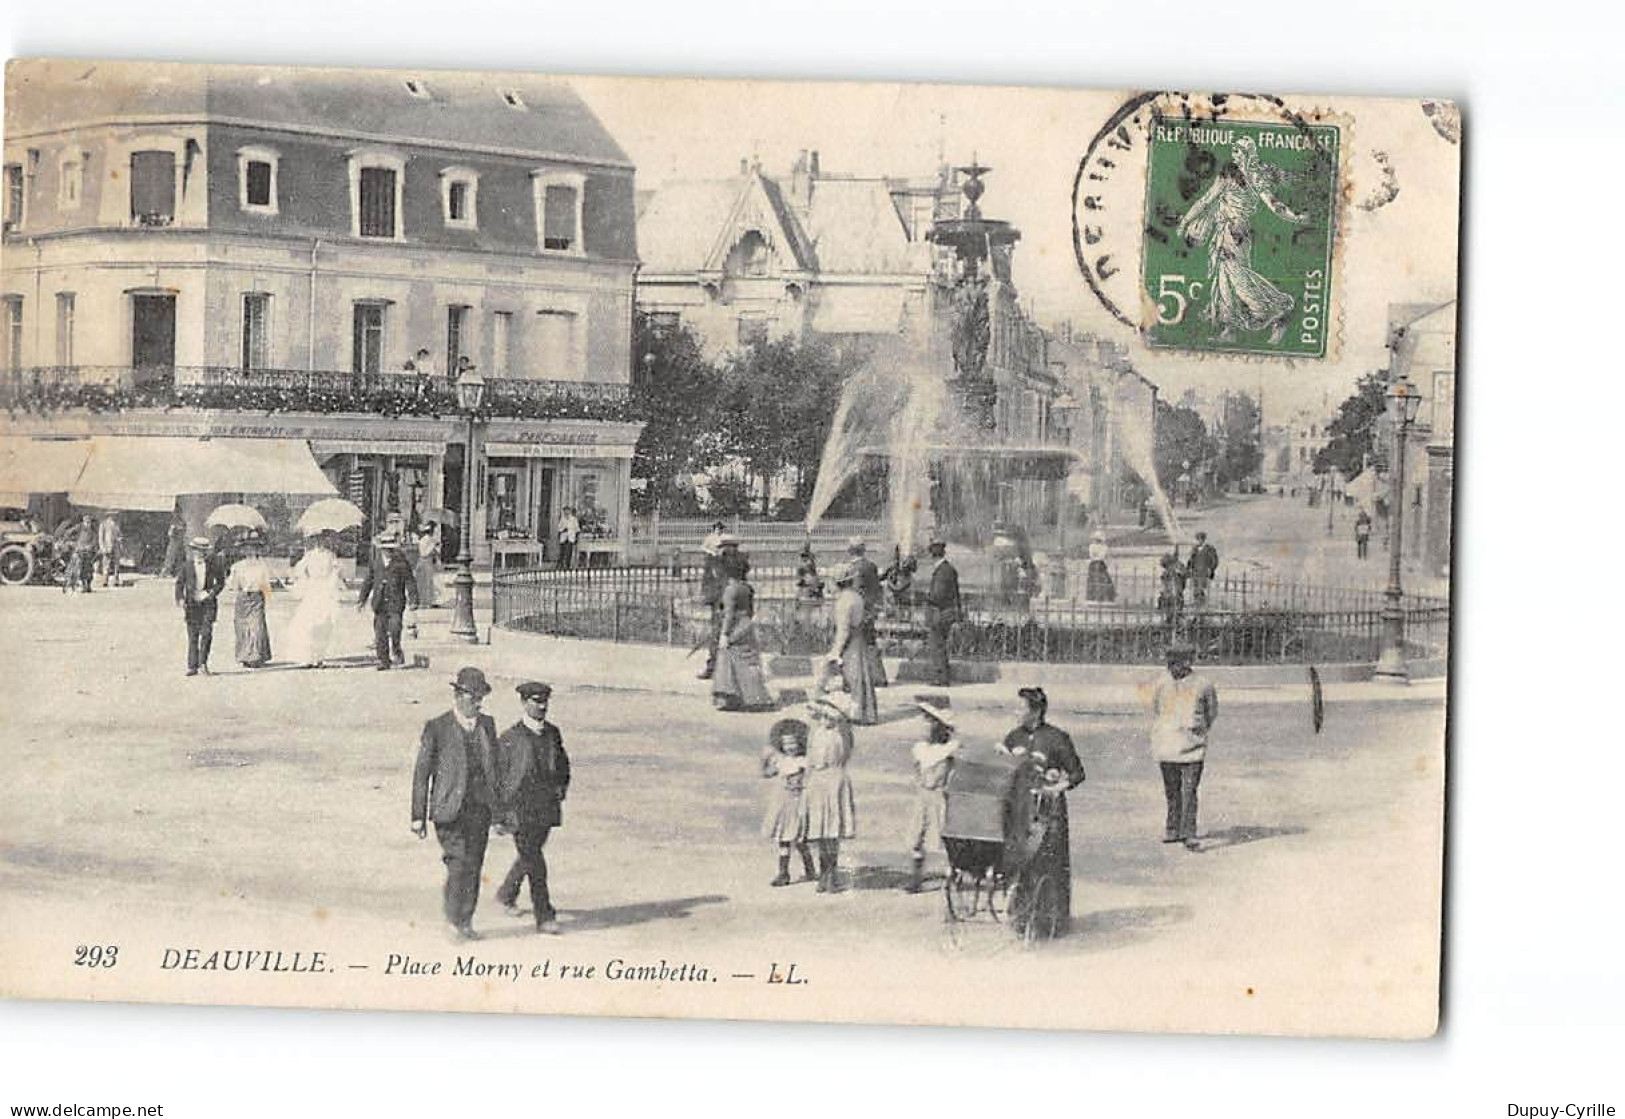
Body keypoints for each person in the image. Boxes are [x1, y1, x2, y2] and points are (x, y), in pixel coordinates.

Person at [411, 667, 500, 941]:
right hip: (448, 809)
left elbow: (495, 770)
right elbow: (421, 773)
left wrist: (500, 812)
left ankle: (466, 921)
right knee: (459, 862)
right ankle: (452, 919)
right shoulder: (437, 727)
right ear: (459, 696)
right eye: (474, 698)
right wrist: (418, 816)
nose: (478, 703)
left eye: (481, 698)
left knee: (474, 865)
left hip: (479, 809)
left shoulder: (487, 725)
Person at [1002, 686, 1086, 934]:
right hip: (1018, 810)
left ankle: (1053, 921)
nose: (1016, 712)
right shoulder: (1013, 737)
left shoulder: (1057, 738)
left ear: (1036, 711)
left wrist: (1057, 787)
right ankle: (1021, 916)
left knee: (1049, 863)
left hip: (1048, 812)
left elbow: (1078, 774)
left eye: (1021, 707)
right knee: (1020, 861)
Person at [494, 681, 570, 935]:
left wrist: (560, 789)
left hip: (545, 807)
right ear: (524, 703)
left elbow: (563, 765)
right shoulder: (510, 738)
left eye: (545, 701)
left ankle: (506, 893)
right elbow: (496, 778)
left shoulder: (552, 733)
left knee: (531, 854)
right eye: (537, 701)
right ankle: (544, 915)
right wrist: (499, 814)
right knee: (536, 861)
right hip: (519, 809)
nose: (542, 706)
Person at [1150, 643, 1220, 851]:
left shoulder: (1203, 684)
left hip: (1193, 747)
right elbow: (1156, 708)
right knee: (1172, 791)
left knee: (1189, 791)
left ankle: (1189, 833)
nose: (1172, 668)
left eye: (1176, 663)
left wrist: (1197, 729)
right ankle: (1172, 829)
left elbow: (1211, 711)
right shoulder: (1160, 683)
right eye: (1169, 664)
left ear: (1188, 662)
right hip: (1167, 745)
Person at [800, 688, 857, 893]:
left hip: (834, 780)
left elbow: (846, 751)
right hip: (817, 780)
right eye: (823, 714)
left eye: (829, 715)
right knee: (819, 829)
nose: (825, 718)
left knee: (832, 830)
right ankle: (823, 874)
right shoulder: (816, 733)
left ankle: (831, 873)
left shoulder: (842, 734)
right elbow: (809, 758)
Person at [905, 699, 960, 894]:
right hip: (923, 795)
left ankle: (953, 873)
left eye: (927, 721)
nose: (922, 725)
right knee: (915, 836)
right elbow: (917, 771)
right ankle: (916, 876)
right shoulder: (920, 749)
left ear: (938, 725)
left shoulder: (948, 751)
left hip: (938, 796)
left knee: (942, 835)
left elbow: (949, 773)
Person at [712, 552, 774, 711]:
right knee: (748, 662)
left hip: (734, 627)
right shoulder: (747, 588)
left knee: (726, 659)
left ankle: (729, 697)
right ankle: (756, 697)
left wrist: (724, 634)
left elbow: (729, 614)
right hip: (747, 625)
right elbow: (750, 611)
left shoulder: (730, 590)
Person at [760, 717, 816, 887]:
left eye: (792, 742)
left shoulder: (804, 762)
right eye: (786, 743)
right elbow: (767, 773)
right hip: (782, 803)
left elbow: (809, 781)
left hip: (797, 802)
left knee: (800, 840)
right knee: (783, 839)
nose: (790, 747)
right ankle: (783, 873)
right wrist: (765, 760)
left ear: (800, 742)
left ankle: (810, 869)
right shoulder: (781, 760)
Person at [825, 563, 880, 725]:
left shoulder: (843, 601)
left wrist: (835, 651)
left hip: (851, 642)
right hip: (859, 638)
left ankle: (857, 713)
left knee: (853, 676)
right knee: (861, 676)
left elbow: (843, 630)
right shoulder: (855, 596)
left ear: (837, 582)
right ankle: (865, 712)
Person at [357, 532, 419, 670]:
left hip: (396, 601)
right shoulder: (376, 561)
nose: (388, 551)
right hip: (379, 602)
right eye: (386, 549)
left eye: (391, 549)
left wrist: (413, 598)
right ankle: (383, 660)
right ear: (381, 548)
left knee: (395, 628)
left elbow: (410, 580)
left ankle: (396, 649)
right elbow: (369, 580)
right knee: (380, 632)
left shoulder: (401, 561)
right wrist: (362, 599)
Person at [287, 531, 344, 668]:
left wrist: (336, 572)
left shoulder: (331, 555)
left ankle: (320, 657)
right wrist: (301, 579)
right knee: (308, 625)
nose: (320, 543)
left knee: (324, 625)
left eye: (322, 540)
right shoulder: (309, 555)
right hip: (312, 590)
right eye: (317, 540)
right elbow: (299, 570)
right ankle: (308, 657)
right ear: (314, 541)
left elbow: (338, 572)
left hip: (325, 590)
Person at [175, 536, 225, 676]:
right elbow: (179, 584)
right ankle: (192, 666)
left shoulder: (213, 565)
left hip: (208, 604)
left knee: (207, 634)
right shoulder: (187, 566)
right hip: (191, 604)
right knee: (193, 636)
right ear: (192, 551)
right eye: (196, 550)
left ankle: (203, 663)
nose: (199, 554)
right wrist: (180, 599)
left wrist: (211, 593)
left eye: (202, 551)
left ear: (206, 552)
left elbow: (221, 582)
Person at [226, 532, 274, 668]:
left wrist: (268, 596)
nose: (250, 551)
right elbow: (232, 585)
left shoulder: (262, 565)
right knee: (243, 628)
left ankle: (256, 656)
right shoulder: (237, 566)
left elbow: (266, 584)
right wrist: (235, 583)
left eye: (253, 549)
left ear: (257, 550)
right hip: (242, 599)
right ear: (243, 550)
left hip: (257, 597)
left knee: (256, 627)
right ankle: (244, 656)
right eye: (247, 549)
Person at [846, 537, 888, 688]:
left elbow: (854, 593)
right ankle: (878, 677)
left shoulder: (853, 569)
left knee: (851, 645)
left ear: (850, 550)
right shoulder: (871, 566)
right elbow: (876, 590)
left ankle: (851, 680)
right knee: (870, 644)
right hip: (868, 611)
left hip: (856, 613)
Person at [922, 537, 962, 688]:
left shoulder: (941, 571)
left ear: (933, 554)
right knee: (941, 645)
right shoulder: (948, 569)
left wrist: (924, 597)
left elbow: (938, 595)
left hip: (940, 613)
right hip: (948, 612)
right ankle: (942, 676)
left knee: (936, 644)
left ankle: (940, 677)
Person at [695, 532, 736, 681]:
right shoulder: (715, 564)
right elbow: (709, 584)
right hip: (722, 604)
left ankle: (719, 668)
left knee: (722, 636)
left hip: (725, 604)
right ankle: (714, 667)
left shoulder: (723, 564)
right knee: (720, 636)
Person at [1188, 532, 1219, 606]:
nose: (1200, 541)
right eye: (1198, 539)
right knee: (1195, 588)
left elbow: (1214, 560)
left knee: (1201, 588)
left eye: (1201, 539)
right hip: (1195, 572)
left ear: (1204, 539)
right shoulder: (1195, 548)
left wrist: (1211, 569)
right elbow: (1191, 560)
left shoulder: (1209, 548)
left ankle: (1202, 604)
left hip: (1204, 571)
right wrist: (1190, 568)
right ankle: (1196, 603)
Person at [1085, 530, 1116, 603]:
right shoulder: (1091, 546)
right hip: (1093, 564)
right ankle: (1092, 596)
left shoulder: (1104, 547)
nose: (1096, 541)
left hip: (1101, 564)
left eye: (1098, 539)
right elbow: (1092, 555)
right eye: (1096, 539)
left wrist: (1097, 556)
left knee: (1104, 579)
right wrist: (1097, 556)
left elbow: (1102, 556)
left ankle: (1104, 596)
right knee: (1093, 580)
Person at [413, 526, 441, 608]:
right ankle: (425, 601)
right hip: (425, 562)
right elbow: (424, 553)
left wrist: (435, 548)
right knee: (426, 582)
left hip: (429, 563)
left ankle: (430, 601)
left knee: (430, 582)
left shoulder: (429, 541)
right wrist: (433, 547)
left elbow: (436, 552)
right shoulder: (424, 541)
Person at [1157, 550, 1186, 628]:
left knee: (1175, 609)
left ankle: (1175, 620)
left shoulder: (1177, 573)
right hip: (1170, 596)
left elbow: (1180, 584)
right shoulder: (1166, 574)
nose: (1168, 568)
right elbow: (1164, 585)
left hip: (1175, 596)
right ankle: (1171, 619)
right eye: (1166, 566)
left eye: (1169, 565)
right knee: (1168, 607)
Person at [96, 512, 122, 588]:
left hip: (116, 546)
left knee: (116, 564)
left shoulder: (116, 525)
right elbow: (100, 538)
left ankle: (116, 580)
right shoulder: (103, 524)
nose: (113, 517)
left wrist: (120, 539)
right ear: (108, 516)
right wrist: (102, 548)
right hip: (107, 546)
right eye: (111, 515)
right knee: (106, 564)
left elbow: (119, 534)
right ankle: (105, 580)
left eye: (114, 515)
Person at [72, 513, 96, 592]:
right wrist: (75, 544)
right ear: (83, 522)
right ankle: (83, 585)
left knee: (89, 569)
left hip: (89, 552)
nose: (88, 524)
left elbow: (94, 540)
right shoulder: (79, 528)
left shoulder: (92, 530)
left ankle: (88, 585)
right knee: (81, 568)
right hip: (80, 551)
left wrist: (90, 546)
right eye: (86, 522)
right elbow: (70, 533)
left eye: (89, 522)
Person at [556, 506, 580, 570]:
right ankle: (561, 565)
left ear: (569, 511)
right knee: (562, 552)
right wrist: (563, 530)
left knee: (569, 552)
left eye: (567, 511)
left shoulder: (574, 519)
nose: (566, 512)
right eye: (565, 511)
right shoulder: (562, 519)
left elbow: (577, 529)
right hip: (563, 538)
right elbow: (559, 529)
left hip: (571, 538)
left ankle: (568, 565)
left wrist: (576, 538)